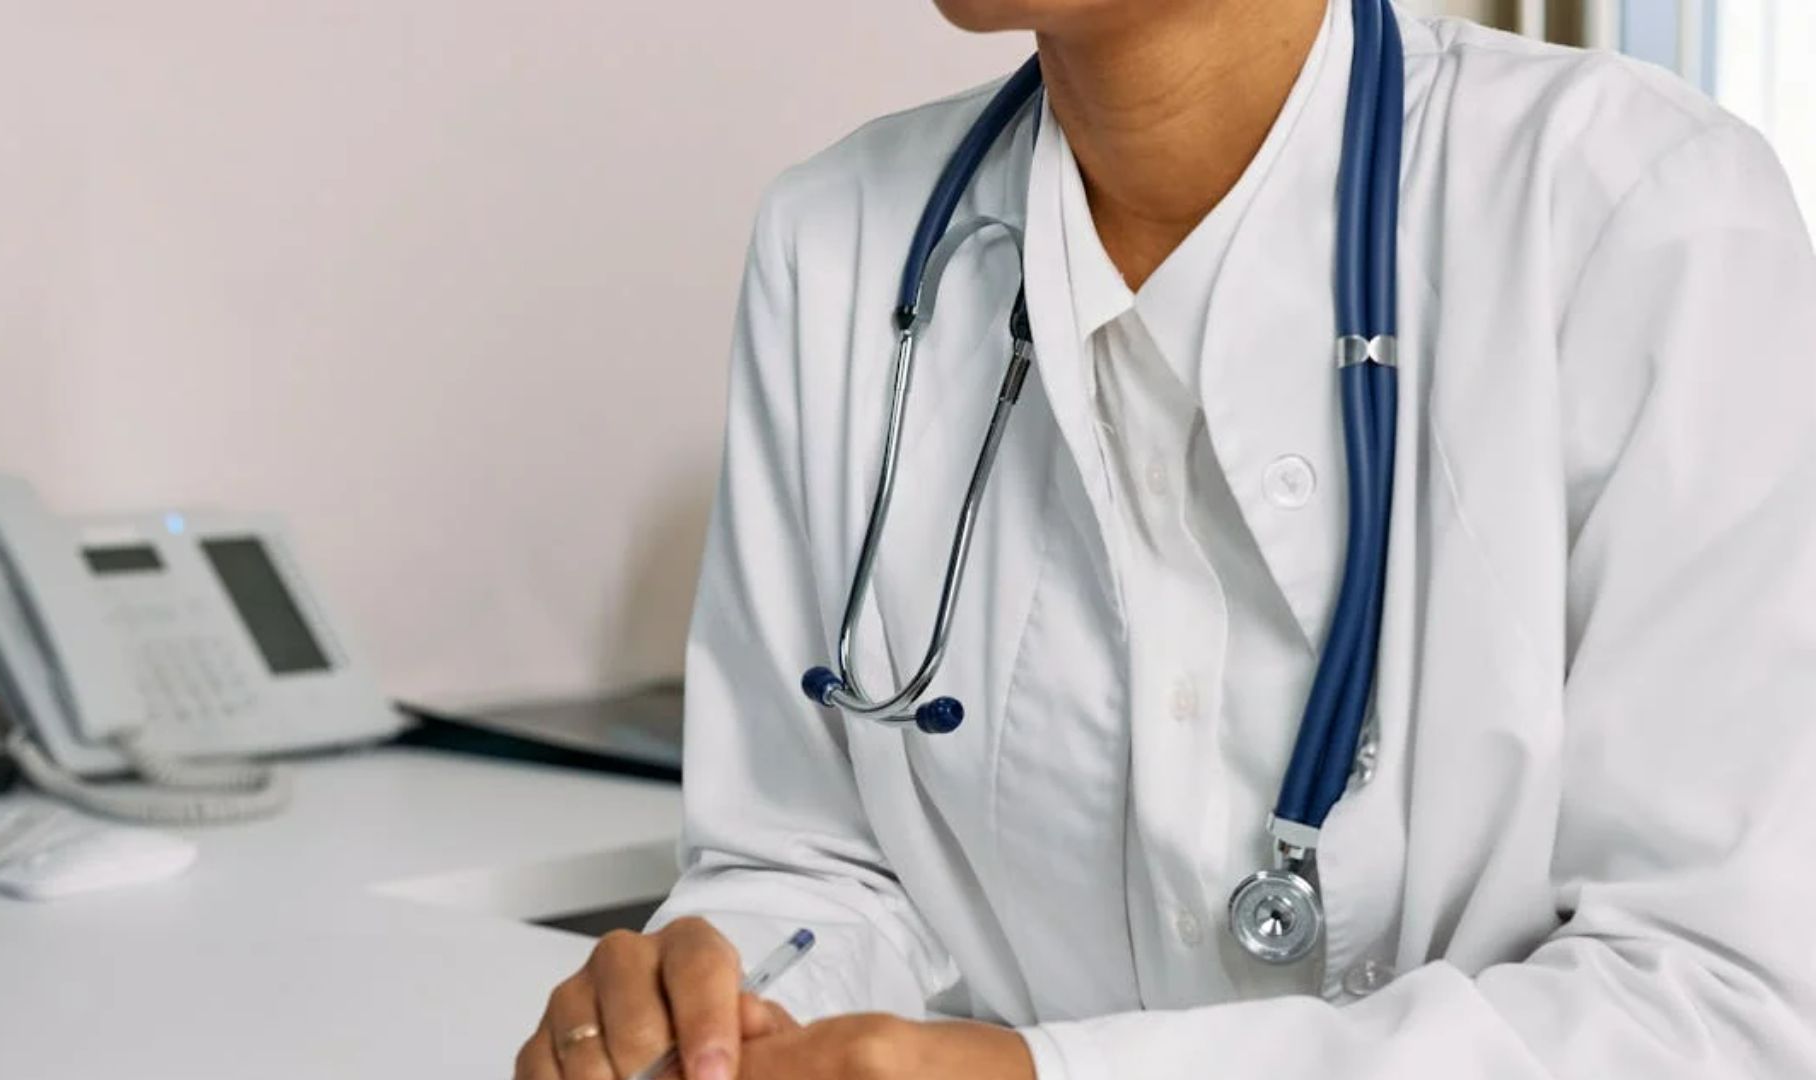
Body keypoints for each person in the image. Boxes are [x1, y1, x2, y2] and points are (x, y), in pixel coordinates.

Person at [516, 0, 1816, 1077]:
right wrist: (713, 1012)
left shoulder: (1643, 220)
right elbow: (814, 868)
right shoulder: (841, 247)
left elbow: (1717, 1010)